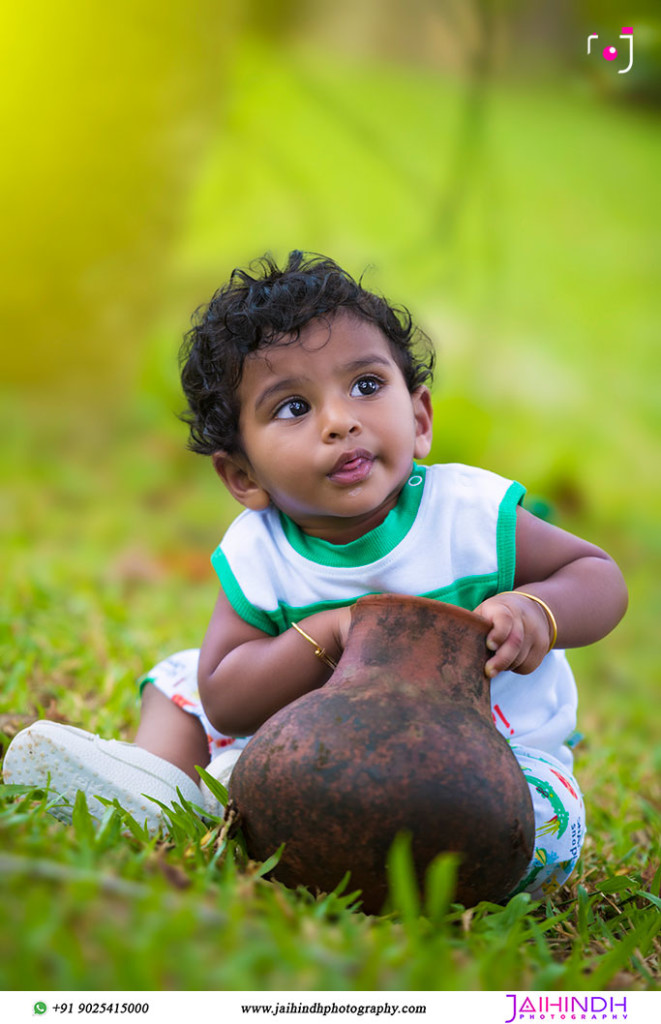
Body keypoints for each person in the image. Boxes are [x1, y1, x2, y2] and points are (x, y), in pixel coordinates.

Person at [3, 251, 628, 899]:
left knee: (545, 834)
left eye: (364, 386)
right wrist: (323, 635)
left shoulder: (466, 515)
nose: (339, 421)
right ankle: (159, 784)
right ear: (242, 476)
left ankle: (369, 850)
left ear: (418, 420)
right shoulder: (260, 553)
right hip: (314, 756)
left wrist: (536, 612)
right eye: (293, 407)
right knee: (183, 680)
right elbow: (225, 696)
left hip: (485, 765)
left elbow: (596, 574)